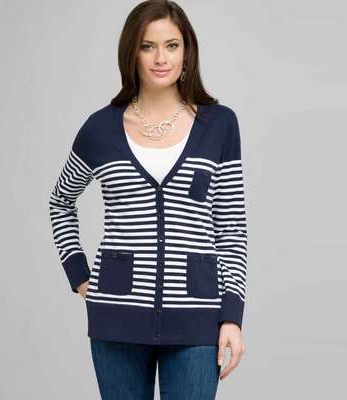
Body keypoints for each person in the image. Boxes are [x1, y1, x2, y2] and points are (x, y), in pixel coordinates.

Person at [49, 1, 248, 399]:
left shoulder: (219, 124)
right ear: (132, 53)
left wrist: (231, 316)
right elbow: (60, 201)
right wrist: (80, 274)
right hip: (117, 316)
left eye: (172, 45)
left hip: (196, 316)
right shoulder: (100, 128)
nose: (161, 58)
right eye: (148, 46)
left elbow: (230, 228)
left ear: (187, 52)